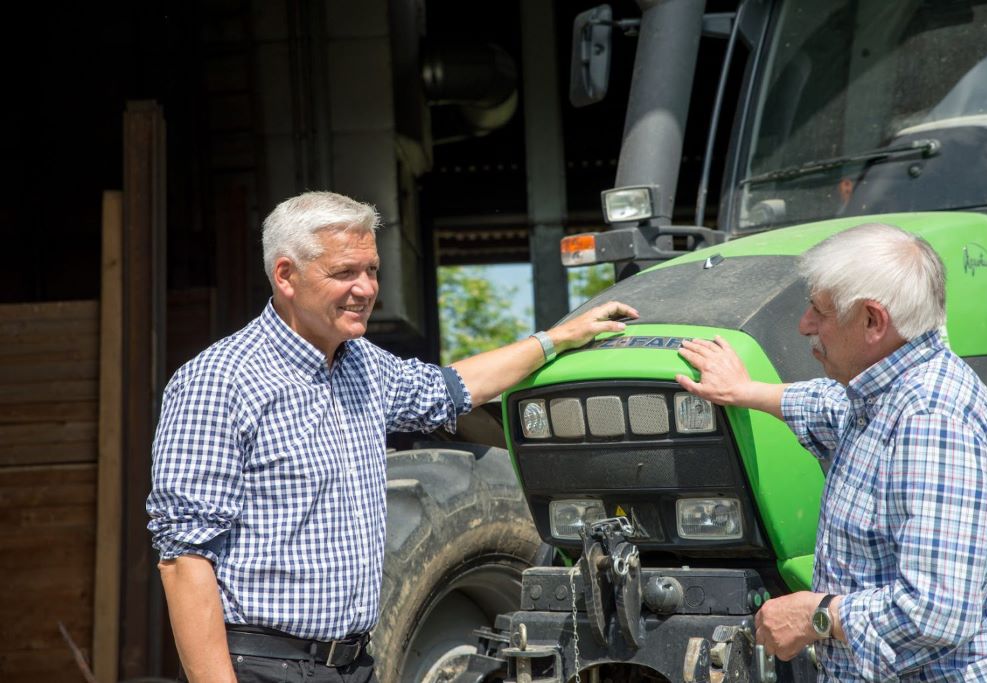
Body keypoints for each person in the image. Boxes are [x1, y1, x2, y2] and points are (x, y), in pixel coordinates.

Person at [147, 191, 638, 683]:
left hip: (355, 665)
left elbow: (453, 388)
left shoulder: (362, 364)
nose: (366, 289)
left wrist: (558, 339)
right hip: (263, 666)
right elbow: (184, 561)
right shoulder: (218, 382)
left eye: (372, 270)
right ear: (285, 275)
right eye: (345, 273)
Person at [676, 223, 987, 681]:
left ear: (873, 321)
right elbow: (832, 409)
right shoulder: (888, 392)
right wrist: (746, 390)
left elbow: (934, 614)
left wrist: (814, 616)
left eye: (819, 311)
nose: (805, 326)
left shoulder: (932, 423)